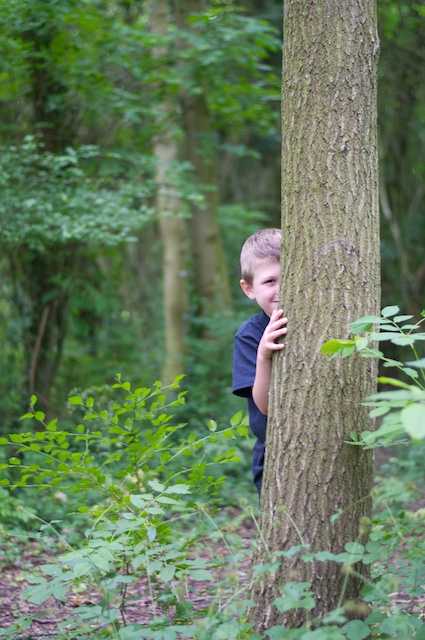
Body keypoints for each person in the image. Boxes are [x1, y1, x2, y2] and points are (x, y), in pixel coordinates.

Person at [232, 228, 288, 494]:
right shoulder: (249, 335)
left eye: (287, 277)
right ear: (249, 288)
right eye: (270, 281)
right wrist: (264, 355)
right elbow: (265, 407)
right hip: (274, 455)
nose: (281, 289)